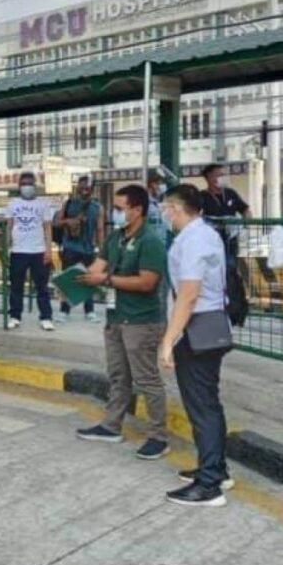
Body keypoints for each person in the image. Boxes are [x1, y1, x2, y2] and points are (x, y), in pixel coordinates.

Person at [74, 185, 169, 460]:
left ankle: (158, 436)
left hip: (140, 322)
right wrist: (73, 282)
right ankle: (111, 425)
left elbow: (147, 281)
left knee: (147, 379)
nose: (114, 213)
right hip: (116, 318)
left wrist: (104, 280)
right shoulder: (115, 237)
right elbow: (96, 268)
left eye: (119, 209)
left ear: (137, 210)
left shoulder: (149, 241)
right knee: (118, 375)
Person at [158, 184, 232, 507]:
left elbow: (189, 294)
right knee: (207, 403)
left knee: (201, 406)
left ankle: (209, 484)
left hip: (197, 328)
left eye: (164, 209)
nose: (163, 215)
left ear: (175, 208)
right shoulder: (200, 234)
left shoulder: (195, 239)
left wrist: (168, 339)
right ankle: (215, 468)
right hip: (207, 325)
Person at [5, 172, 54, 331]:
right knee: (16, 286)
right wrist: (6, 248)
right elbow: (9, 227)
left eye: (30, 183)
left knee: (42, 287)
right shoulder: (12, 204)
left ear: (35, 185)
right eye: (24, 183)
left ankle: (46, 317)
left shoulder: (43, 204)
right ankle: (14, 316)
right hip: (18, 251)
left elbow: (47, 228)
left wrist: (48, 250)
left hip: (38, 250)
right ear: (19, 186)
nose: (27, 187)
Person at [55, 176, 104, 323]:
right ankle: (64, 310)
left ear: (92, 189)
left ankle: (89, 310)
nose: (84, 189)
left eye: (87, 187)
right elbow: (57, 222)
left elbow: (100, 230)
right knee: (68, 280)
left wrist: (101, 251)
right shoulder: (69, 203)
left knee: (89, 280)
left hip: (88, 249)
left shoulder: (97, 207)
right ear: (77, 186)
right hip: (70, 247)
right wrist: (68, 222)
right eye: (82, 186)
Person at [199, 163, 250, 264]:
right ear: (209, 178)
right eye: (219, 175)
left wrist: (245, 226)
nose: (223, 178)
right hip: (211, 240)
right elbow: (195, 215)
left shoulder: (230, 193)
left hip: (231, 240)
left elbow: (245, 209)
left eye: (223, 175)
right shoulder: (202, 196)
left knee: (231, 266)